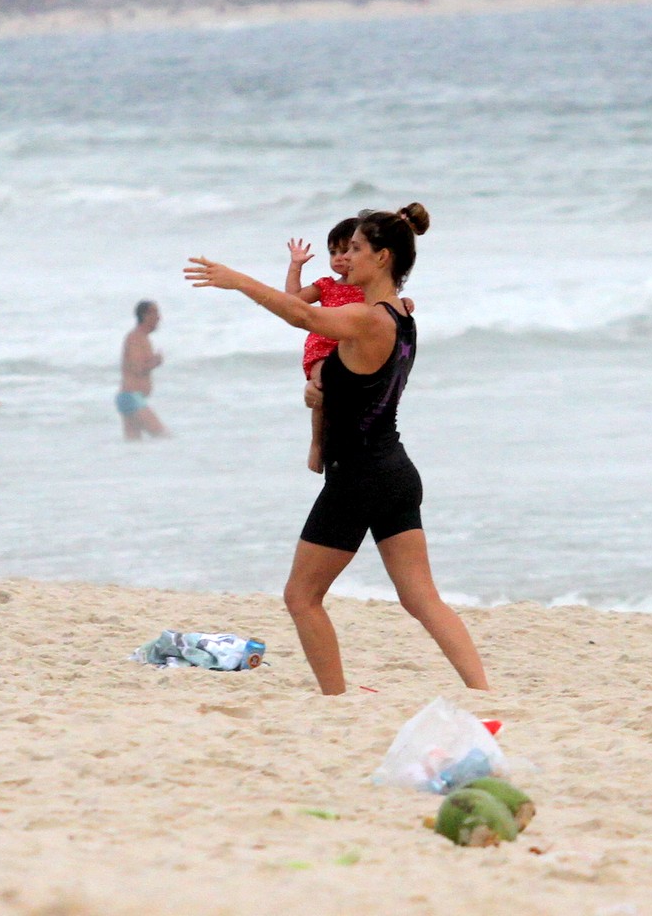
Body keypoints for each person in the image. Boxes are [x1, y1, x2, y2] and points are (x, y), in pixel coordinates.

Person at [184, 203, 487, 695]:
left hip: (360, 476)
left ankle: (336, 699)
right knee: (421, 597)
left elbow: (302, 314)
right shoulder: (403, 316)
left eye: (357, 249)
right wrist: (322, 390)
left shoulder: (369, 319)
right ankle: (482, 692)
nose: (347, 256)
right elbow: (365, 382)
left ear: (383, 257)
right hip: (395, 471)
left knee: (301, 596)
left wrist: (238, 280)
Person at [287, 218, 364, 472]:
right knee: (322, 386)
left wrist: (405, 302)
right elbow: (293, 301)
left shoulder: (368, 287)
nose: (339, 258)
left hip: (352, 346)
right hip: (323, 347)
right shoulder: (326, 285)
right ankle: (317, 443)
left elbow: (388, 304)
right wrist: (295, 266)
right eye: (333, 252)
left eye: (346, 251)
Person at [117, 300, 168, 439]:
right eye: (155, 313)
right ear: (145, 315)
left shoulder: (142, 338)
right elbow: (137, 368)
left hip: (130, 398)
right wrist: (155, 362)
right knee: (164, 437)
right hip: (131, 397)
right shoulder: (135, 338)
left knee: (134, 447)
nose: (159, 318)